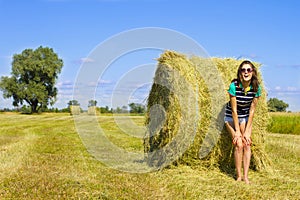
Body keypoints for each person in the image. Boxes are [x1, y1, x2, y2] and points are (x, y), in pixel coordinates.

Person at [224, 60, 261, 184]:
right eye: (243, 70)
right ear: (240, 72)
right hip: (231, 116)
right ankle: (238, 176)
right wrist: (238, 132)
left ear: (253, 72)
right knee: (238, 143)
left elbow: (252, 111)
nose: (246, 72)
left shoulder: (256, 88)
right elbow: (234, 110)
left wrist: (247, 131)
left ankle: (246, 177)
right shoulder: (234, 86)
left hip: (245, 116)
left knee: (247, 143)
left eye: (248, 70)